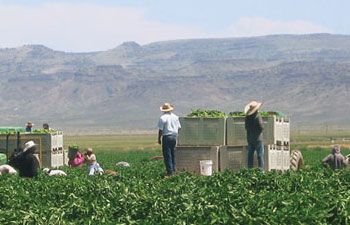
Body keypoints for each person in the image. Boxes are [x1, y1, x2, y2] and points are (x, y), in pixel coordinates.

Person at [158, 103, 181, 177]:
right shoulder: (176, 117)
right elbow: (179, 127)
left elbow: (160, 130)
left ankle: (169, 172)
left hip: (166, 137)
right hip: (174, 136)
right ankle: (174, 170)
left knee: (167, 155)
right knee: (173, 154)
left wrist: (159, 138)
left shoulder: (163, 118)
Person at [245, 101, 264, 172]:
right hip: (258, 138)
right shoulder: (257, 116)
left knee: (250, 154)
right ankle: (261, 170)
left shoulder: (247, 117)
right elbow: (261, 126)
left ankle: (249, 170)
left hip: (250, 138)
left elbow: (246, 128)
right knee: (260, 154)